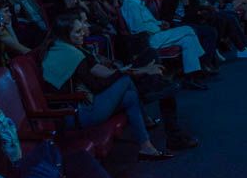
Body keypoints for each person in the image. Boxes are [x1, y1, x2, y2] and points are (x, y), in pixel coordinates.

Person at [41, 13, 173, 161]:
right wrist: (128, 74)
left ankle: (146, 147)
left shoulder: (61, 47)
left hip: (79, 106)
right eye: (78, 31)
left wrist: (129, 72)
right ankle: (152, 95)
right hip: (76, 113)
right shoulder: (71, 54)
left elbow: (101, 75)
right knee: (125, 80)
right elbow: (97, 86)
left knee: (130, 97)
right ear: (65, 35)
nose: (83, 33)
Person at [121, 0, 208, 90]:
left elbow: (148, 22)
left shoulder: (137, 3)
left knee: (188, 40)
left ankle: (190, 77)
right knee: (188, 29)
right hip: (150, 39)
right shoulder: (131, 5)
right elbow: (137, 29)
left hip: (157, 33)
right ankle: (203, 61)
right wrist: (158, 28)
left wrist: (160, 23)